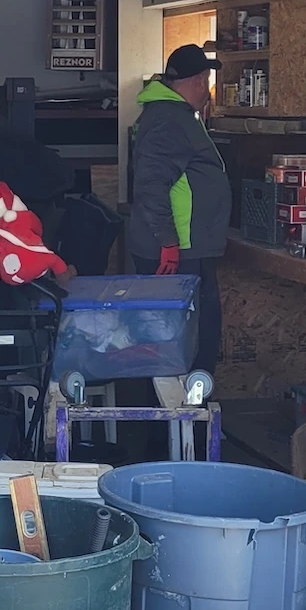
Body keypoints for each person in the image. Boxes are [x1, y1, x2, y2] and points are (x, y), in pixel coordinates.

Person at [128, 44, 230, 378]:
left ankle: (185, 424)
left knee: (180, 340)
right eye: (207, 82)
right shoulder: (169, 120)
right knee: (186, 343)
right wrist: (169, 242)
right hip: (178, 252)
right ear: (200, 81)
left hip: (183, 247)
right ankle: (182, 424)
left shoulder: (172, 115)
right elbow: (150, 185)